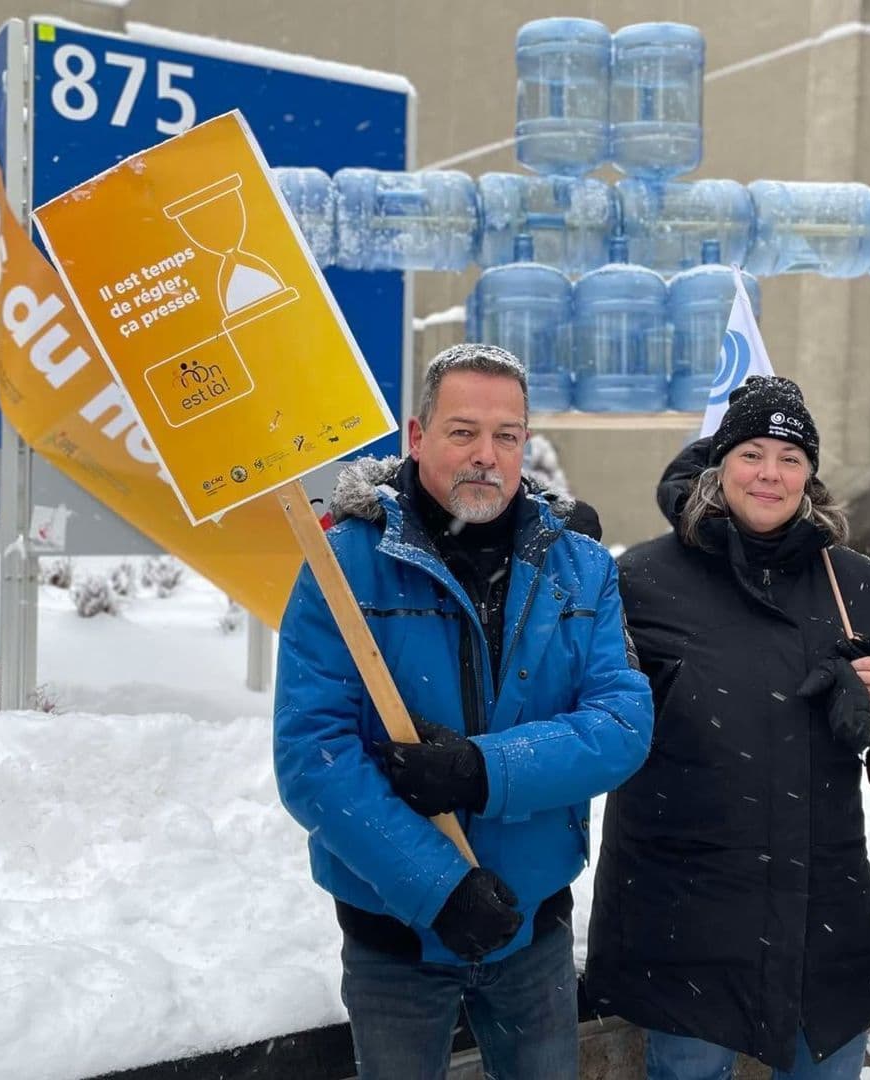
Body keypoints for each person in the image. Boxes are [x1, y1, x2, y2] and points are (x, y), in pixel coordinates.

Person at [273, 342, 655, 1080]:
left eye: (506, 435)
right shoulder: (344, 566)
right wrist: (438, 889)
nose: (486, 454)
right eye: (462, 431)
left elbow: (621, 725)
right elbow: (313, 758)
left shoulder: (581, 570)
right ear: (417, 439)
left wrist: (484, 770)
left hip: (532, 929)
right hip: (396, 936)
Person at [586, 375, 870, 1078]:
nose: (770, 473)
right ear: (719, 464)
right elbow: (593, 709)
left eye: (790, 458)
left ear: (810, 476)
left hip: (821, 898)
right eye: (752, 453)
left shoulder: (850, 580)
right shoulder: (644, 577)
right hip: (689, 907)